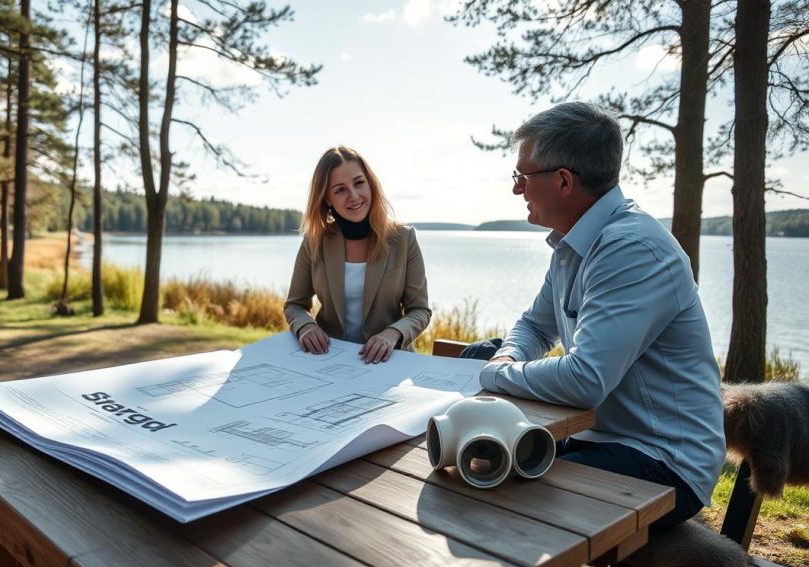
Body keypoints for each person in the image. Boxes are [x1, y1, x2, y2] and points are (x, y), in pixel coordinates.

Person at [468, 102, 724, 527]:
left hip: (664, 461)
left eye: (522, 177)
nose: (517, 190)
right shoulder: (573, 246)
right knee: (477, 469)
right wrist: (508, 357)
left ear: (563, 180)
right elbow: (533, 325)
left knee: (498, 501)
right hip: (598, 438)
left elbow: (585, 380)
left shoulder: (631, 249)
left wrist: (493, 374)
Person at [284, 146, 431, 364]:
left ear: (370, 184)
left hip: (389, 361)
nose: (353, 196)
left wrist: (393, 334)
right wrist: (306, 326)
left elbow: (420, 310)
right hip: (329, 359)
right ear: (327, 198)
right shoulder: (315, 241)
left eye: (359, 183)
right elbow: (295, 304)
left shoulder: (404, 239)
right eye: (340, 190)